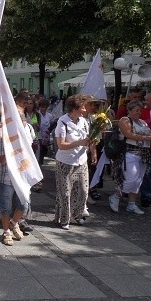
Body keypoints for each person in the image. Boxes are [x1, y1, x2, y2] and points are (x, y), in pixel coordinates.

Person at [53, 95, 96, 229]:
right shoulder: (63, 122)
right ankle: (64, 218)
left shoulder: (84, 121)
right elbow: (61, 145)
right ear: (74, 108)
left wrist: (93, 151)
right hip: (65, 161)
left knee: (83, 190)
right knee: (65, 193)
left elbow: (89, 138)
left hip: (81, 160)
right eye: (82, 107)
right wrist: (78, 142)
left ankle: (77, 215)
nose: (84, 110)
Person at [109, 100, 151, 215]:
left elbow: (148, 135)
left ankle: (132, 204)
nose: (139, 112)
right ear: (129, 110)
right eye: (136, 110)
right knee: (130, 179)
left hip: (143, 153)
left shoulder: (142, 123)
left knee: (138, 180)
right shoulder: (125, 120)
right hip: (129, 153)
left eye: (140, 110)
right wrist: (147, 138)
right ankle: (115, 196)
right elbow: (128, 134)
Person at [0, 99, 34, 245]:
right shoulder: (4, 135)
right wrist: (16, 150)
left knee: (23, 205)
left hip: (22, 175)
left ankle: (14, 223)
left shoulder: (27, 132)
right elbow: (2, 159)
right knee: (6, 206)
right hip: (7, 176)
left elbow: (31, 153)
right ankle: (6, 231)